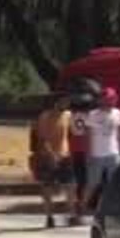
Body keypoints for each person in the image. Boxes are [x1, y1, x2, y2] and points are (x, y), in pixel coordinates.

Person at [32, 94, 80, 228]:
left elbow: (75, 130)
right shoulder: (45, 116)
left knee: (71, 186)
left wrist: (78, 125)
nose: (66, 105)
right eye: (63, 102)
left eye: (67, 102)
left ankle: (72, 216)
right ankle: (49, 217)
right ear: (56, 102)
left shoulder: (68, 115)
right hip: (47, 157)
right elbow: (42, 139)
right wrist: (52, 156)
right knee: (47, 188)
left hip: (65, 155)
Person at [82, 88, 120, 211]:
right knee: (92, 183)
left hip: (113, 153)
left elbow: (119, 134)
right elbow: (88, 136)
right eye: (106, 99)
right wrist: (88, 154)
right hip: (97, 154)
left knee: (115, 183)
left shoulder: (118, 113)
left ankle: (114, 209)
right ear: (101, 100)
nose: (109, 102)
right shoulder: (93, 114)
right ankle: (81, 208)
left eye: (112, 99)